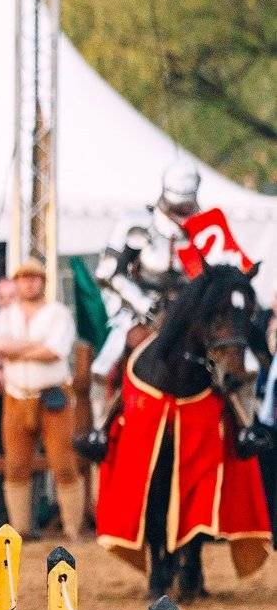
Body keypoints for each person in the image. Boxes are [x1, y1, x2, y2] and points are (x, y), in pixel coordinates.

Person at [87, 161, 203, 433]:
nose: (182, 212)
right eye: (178, 207)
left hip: (192, 312)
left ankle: (247, 428)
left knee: (242, 361)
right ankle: (100, 430)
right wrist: (142, 303)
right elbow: (108, 271)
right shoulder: (137, 223)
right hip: (143, 308)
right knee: (104, 366)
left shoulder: (207, 228)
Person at [0, 259, 84, 541]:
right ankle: (21, 530)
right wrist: (33, 347)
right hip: (16, 395)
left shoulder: (59, 313)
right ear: (17, 282)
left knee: (63, 462)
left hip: (52, 395)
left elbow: (54, 350)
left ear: (43, 281)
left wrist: (14, 350)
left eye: (34, 277)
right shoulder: (7, 314)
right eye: (24, 278)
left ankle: (72, 529)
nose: (29, 282)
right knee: (16, 464)